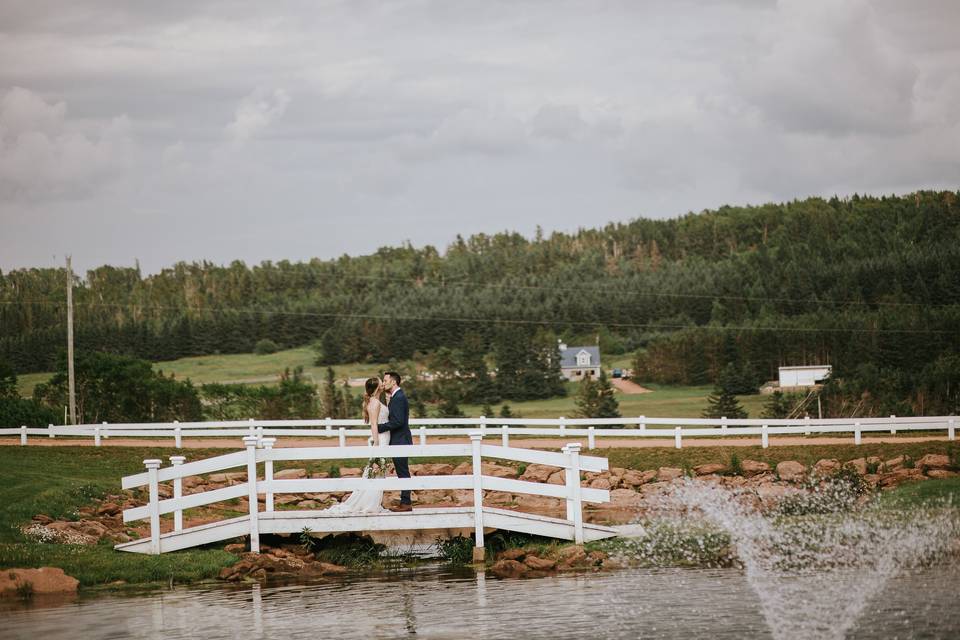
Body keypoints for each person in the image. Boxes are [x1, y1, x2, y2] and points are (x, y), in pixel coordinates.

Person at [323, 377, 390, 514]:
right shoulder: (375, 403)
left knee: (377, 471)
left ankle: (373, 502)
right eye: (380, 382)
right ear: (377, 387)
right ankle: (370, 504)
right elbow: (373, 424)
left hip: (383, 438)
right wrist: (376, 444)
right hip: (381, 440)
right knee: (377, 471)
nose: (383, 384)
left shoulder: (376, 401)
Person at [378, 370, 413, 511]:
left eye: (385, 381)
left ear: (393, 381)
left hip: (401, 440)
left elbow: (398, 421)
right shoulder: (396, 396)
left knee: (403, 472)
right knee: (401, 471)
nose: (384, 383)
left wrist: (380, 428)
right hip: (399, 439)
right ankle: (405, 502)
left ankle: (406, 503)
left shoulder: (398, 397)